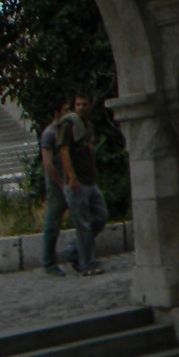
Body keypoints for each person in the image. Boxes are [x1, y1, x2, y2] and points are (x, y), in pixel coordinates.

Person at [58, 90, 109, 277]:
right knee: (83, 225)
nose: (81, 108)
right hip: (76, 182)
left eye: (84, 104)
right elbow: (64, 151)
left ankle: (73, 251)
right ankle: (87, 263)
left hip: (89, 181)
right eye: (78, 105)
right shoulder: (68, 125)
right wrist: (71, 176)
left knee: (101, 216)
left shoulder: (89, 127)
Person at [39, 97, 78, 274]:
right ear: (56, 114)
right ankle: (49, 263)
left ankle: (77, 254)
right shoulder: (49, 134)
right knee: (53, 224)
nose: (68, 113)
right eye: (65, 109)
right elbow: (48, 163)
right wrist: (59, 183)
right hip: (57, 186)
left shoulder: (66, 130)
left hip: (69, 182)